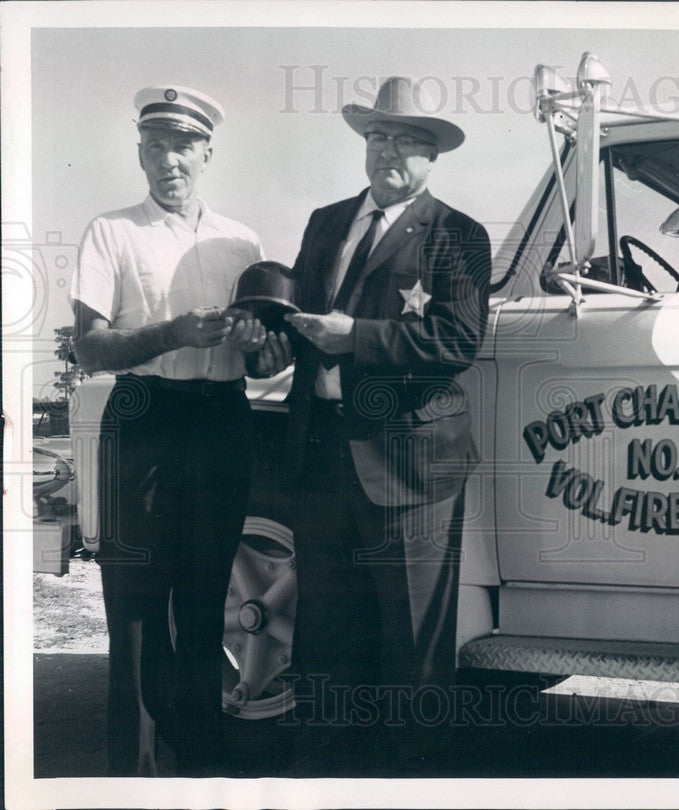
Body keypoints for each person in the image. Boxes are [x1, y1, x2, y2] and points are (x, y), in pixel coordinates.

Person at [259, 76, 491, 772]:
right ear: (365, 144)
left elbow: (456, 342)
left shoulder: (459, 235)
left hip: (411, 468)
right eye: (380, 136)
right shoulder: (326, 221)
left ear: (433, 158)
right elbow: (305, 327)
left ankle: (413, 783)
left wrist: (351, 335)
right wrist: (274, 341)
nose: (391, 150)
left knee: (413, 650)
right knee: (325, 644)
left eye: (410, 141)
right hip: (323, 456)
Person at [70, 85, 279, 776]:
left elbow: (263, 360)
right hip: (144, 418)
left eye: (183, 146)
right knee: (133, 612)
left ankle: (201, 762)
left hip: (222, 421)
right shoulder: (111, 231)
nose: (169, 160)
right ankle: (129, 774)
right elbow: (91, 347)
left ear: (207, 153)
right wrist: (171, 333)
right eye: (155, 146)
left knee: (201, 604)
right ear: (139, 151)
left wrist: (259, 344)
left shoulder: (241, 240)